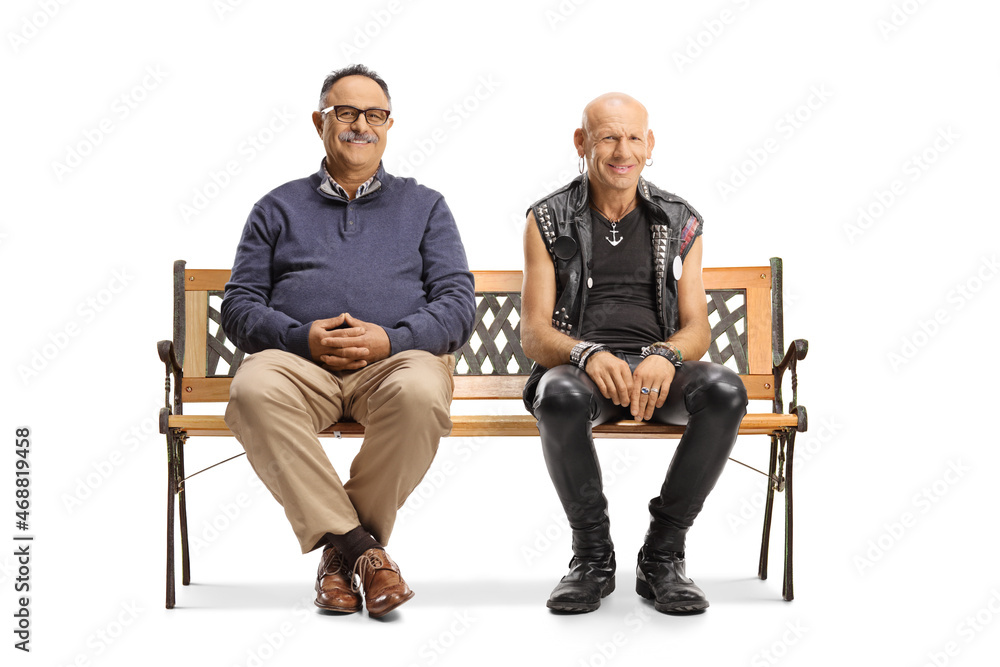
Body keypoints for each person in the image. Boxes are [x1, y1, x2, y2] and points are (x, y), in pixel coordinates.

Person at [221, 64, 475, 618]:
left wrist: (392, 339)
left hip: (394, 365)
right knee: (251, 391)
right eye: (346, 112)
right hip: (299, 367)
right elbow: (238, 307)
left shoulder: (425, 206)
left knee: (421, 394)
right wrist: (298, 337)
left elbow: (458, 307)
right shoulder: (276, 207)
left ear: (388, 125)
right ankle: (364, 552)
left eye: (374, 114)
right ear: (320, 122)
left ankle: (340, 559)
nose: (360, 124)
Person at [520, 92, 748, 614]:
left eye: (633, 137)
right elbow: (533, 334)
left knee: (724, 391)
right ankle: (592, 560)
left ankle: (663, 557)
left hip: (657, 372)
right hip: (583, 375)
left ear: (650, 146)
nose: (622, 150)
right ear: (582, 143)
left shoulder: (680, 218)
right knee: (556, 396)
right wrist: (585, 354)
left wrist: (665, 355)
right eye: (607, 137)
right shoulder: (547, 218)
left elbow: (697, 328)